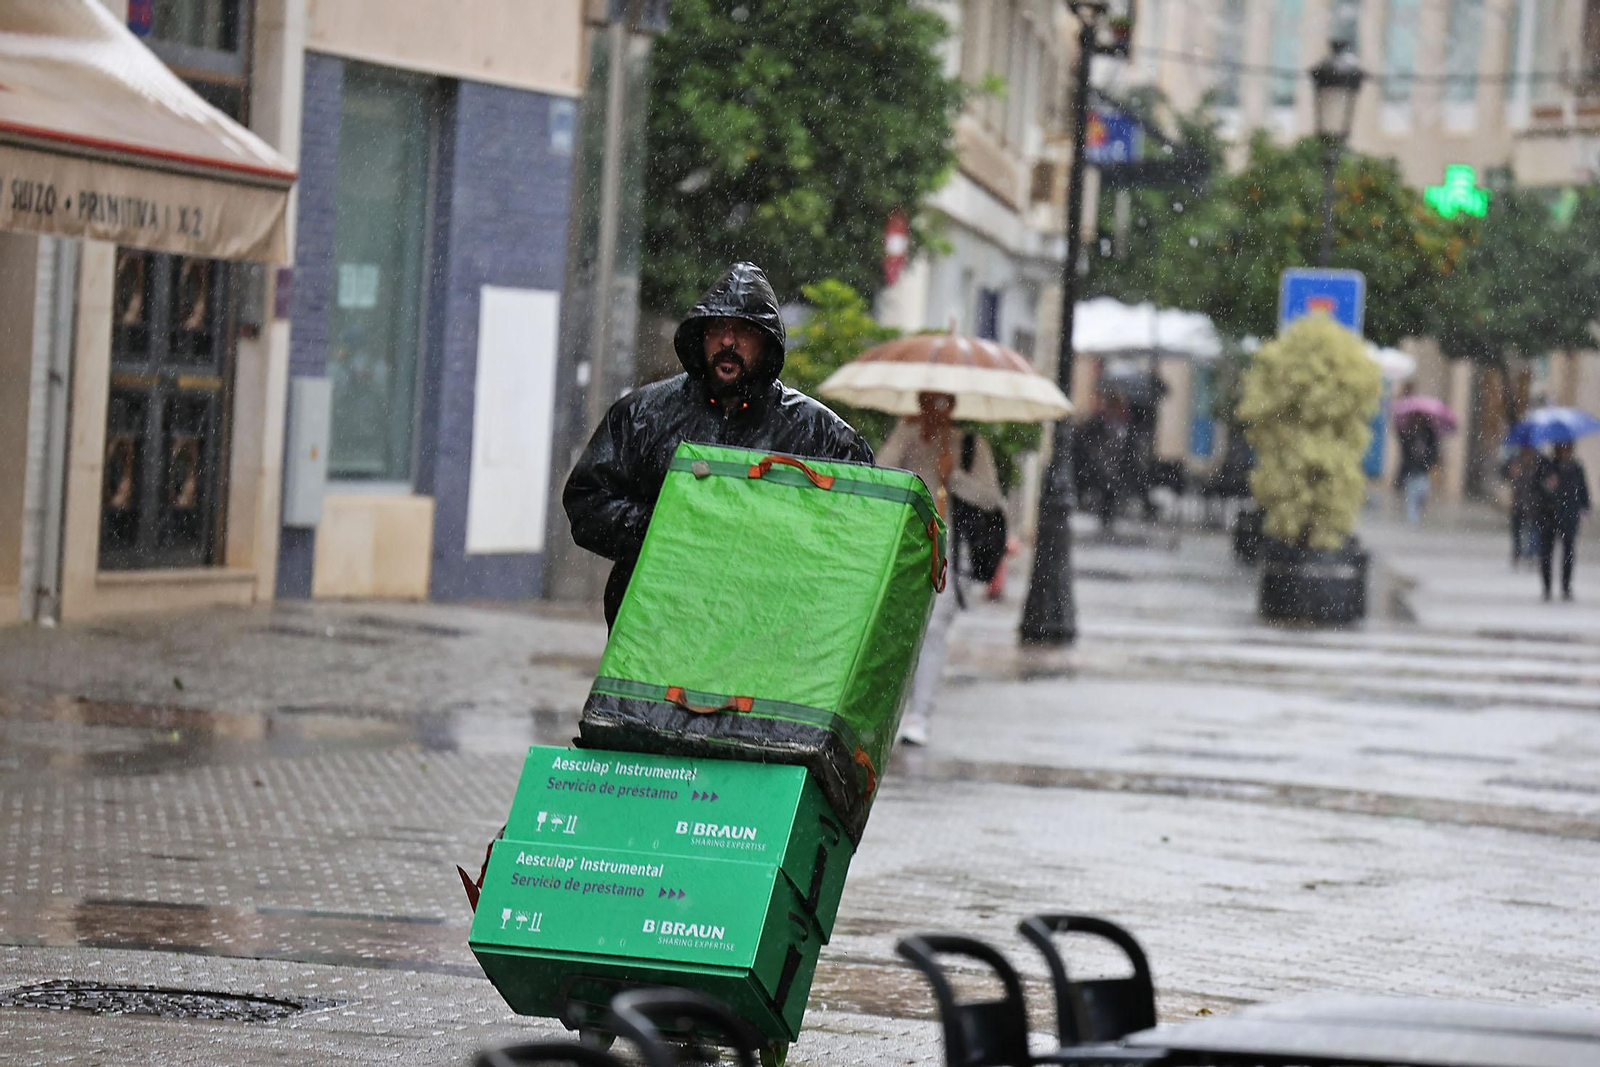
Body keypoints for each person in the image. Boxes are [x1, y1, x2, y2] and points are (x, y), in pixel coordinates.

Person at [563, 262, 873, 627]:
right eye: (718, 328)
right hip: (653, 625)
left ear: (766, 341)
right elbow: (587, 503)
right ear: (701, 335)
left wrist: (771, 543)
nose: (728, 341)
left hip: (764, 629)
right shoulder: (642, 414)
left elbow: (859, 525)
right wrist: (666, 527)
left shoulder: (820, 432)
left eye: (743, 330)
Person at [876, 392, 1003, 746]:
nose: (934, 411)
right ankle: (891, 710)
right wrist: (906, 438)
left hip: (950, 552)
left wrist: (955, 476)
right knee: (896, 629)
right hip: (905, 547)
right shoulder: (907, 436)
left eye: (942, 403)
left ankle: (919, 714)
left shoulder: (970, 445)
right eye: (927, 402)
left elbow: (990, 498)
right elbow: (881, 475)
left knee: (932, 631)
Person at [1532, 441, 1591, 602]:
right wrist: (1547, 485)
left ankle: (1566, 587)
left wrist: (1585, 510)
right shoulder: (1547, 465)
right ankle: (1547, 587)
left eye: (1569, 446)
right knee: (1546, 553)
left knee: (1569, 552)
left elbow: (1583, 490)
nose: (1567, 450)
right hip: (1549, 515)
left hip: (1569, 516)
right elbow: (1535, 488)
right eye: (1563, 446)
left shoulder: (1576, 467)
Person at [1395, 413, 1439, 524]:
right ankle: (1413, 523)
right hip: (1411, 473)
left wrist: (1426, 455)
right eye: (1416, 418)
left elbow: (1434, 453)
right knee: (1411, 502)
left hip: (1423, 473)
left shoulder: (1429, 435)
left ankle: (1416, 519)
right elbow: (1403, 444)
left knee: (1422, 497)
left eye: (1420, 418)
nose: (1418, 421)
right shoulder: (1409, 434)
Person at [1502, 444, 1540, 566]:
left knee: (1532, 529)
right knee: (1516, 529)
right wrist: (1511, 472)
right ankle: (1517, 552)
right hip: (1518, 502)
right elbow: (1503, 473)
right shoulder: (1515, 461)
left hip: (1533, 502)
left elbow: (1540, 482)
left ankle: (1531, 554)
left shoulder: (1538, 462)